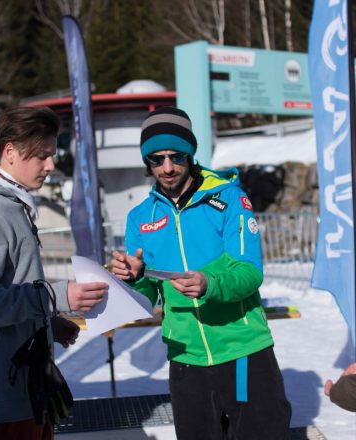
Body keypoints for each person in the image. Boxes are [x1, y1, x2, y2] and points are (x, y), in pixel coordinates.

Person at [111, 106, 291, 440]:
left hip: (241, 353)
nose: (167, 167)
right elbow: (149, 295)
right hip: (186, 359)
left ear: (191, 154)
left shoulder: (229, 198)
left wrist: (210, 284)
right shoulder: (140, 216)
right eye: (156, 159)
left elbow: (249, 272)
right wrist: (135, 276)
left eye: (176, 156)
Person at [0, 106, 108, 440]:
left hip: (21, 387)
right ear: (11, 152)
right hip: (0, 398)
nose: (50, 165)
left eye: (52, 154)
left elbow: (9, 286)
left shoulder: (10, 202)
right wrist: (56, 296)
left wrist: (45, 321)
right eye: (42, 156)